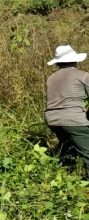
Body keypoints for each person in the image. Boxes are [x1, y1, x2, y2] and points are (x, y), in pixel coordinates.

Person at [44, 44, 89, 173]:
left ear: (58, 63)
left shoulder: (51, 78)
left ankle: (64, 175)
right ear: (75, 61)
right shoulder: (83, 75)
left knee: (69, 146)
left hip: (52, 120)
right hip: (74, 120)